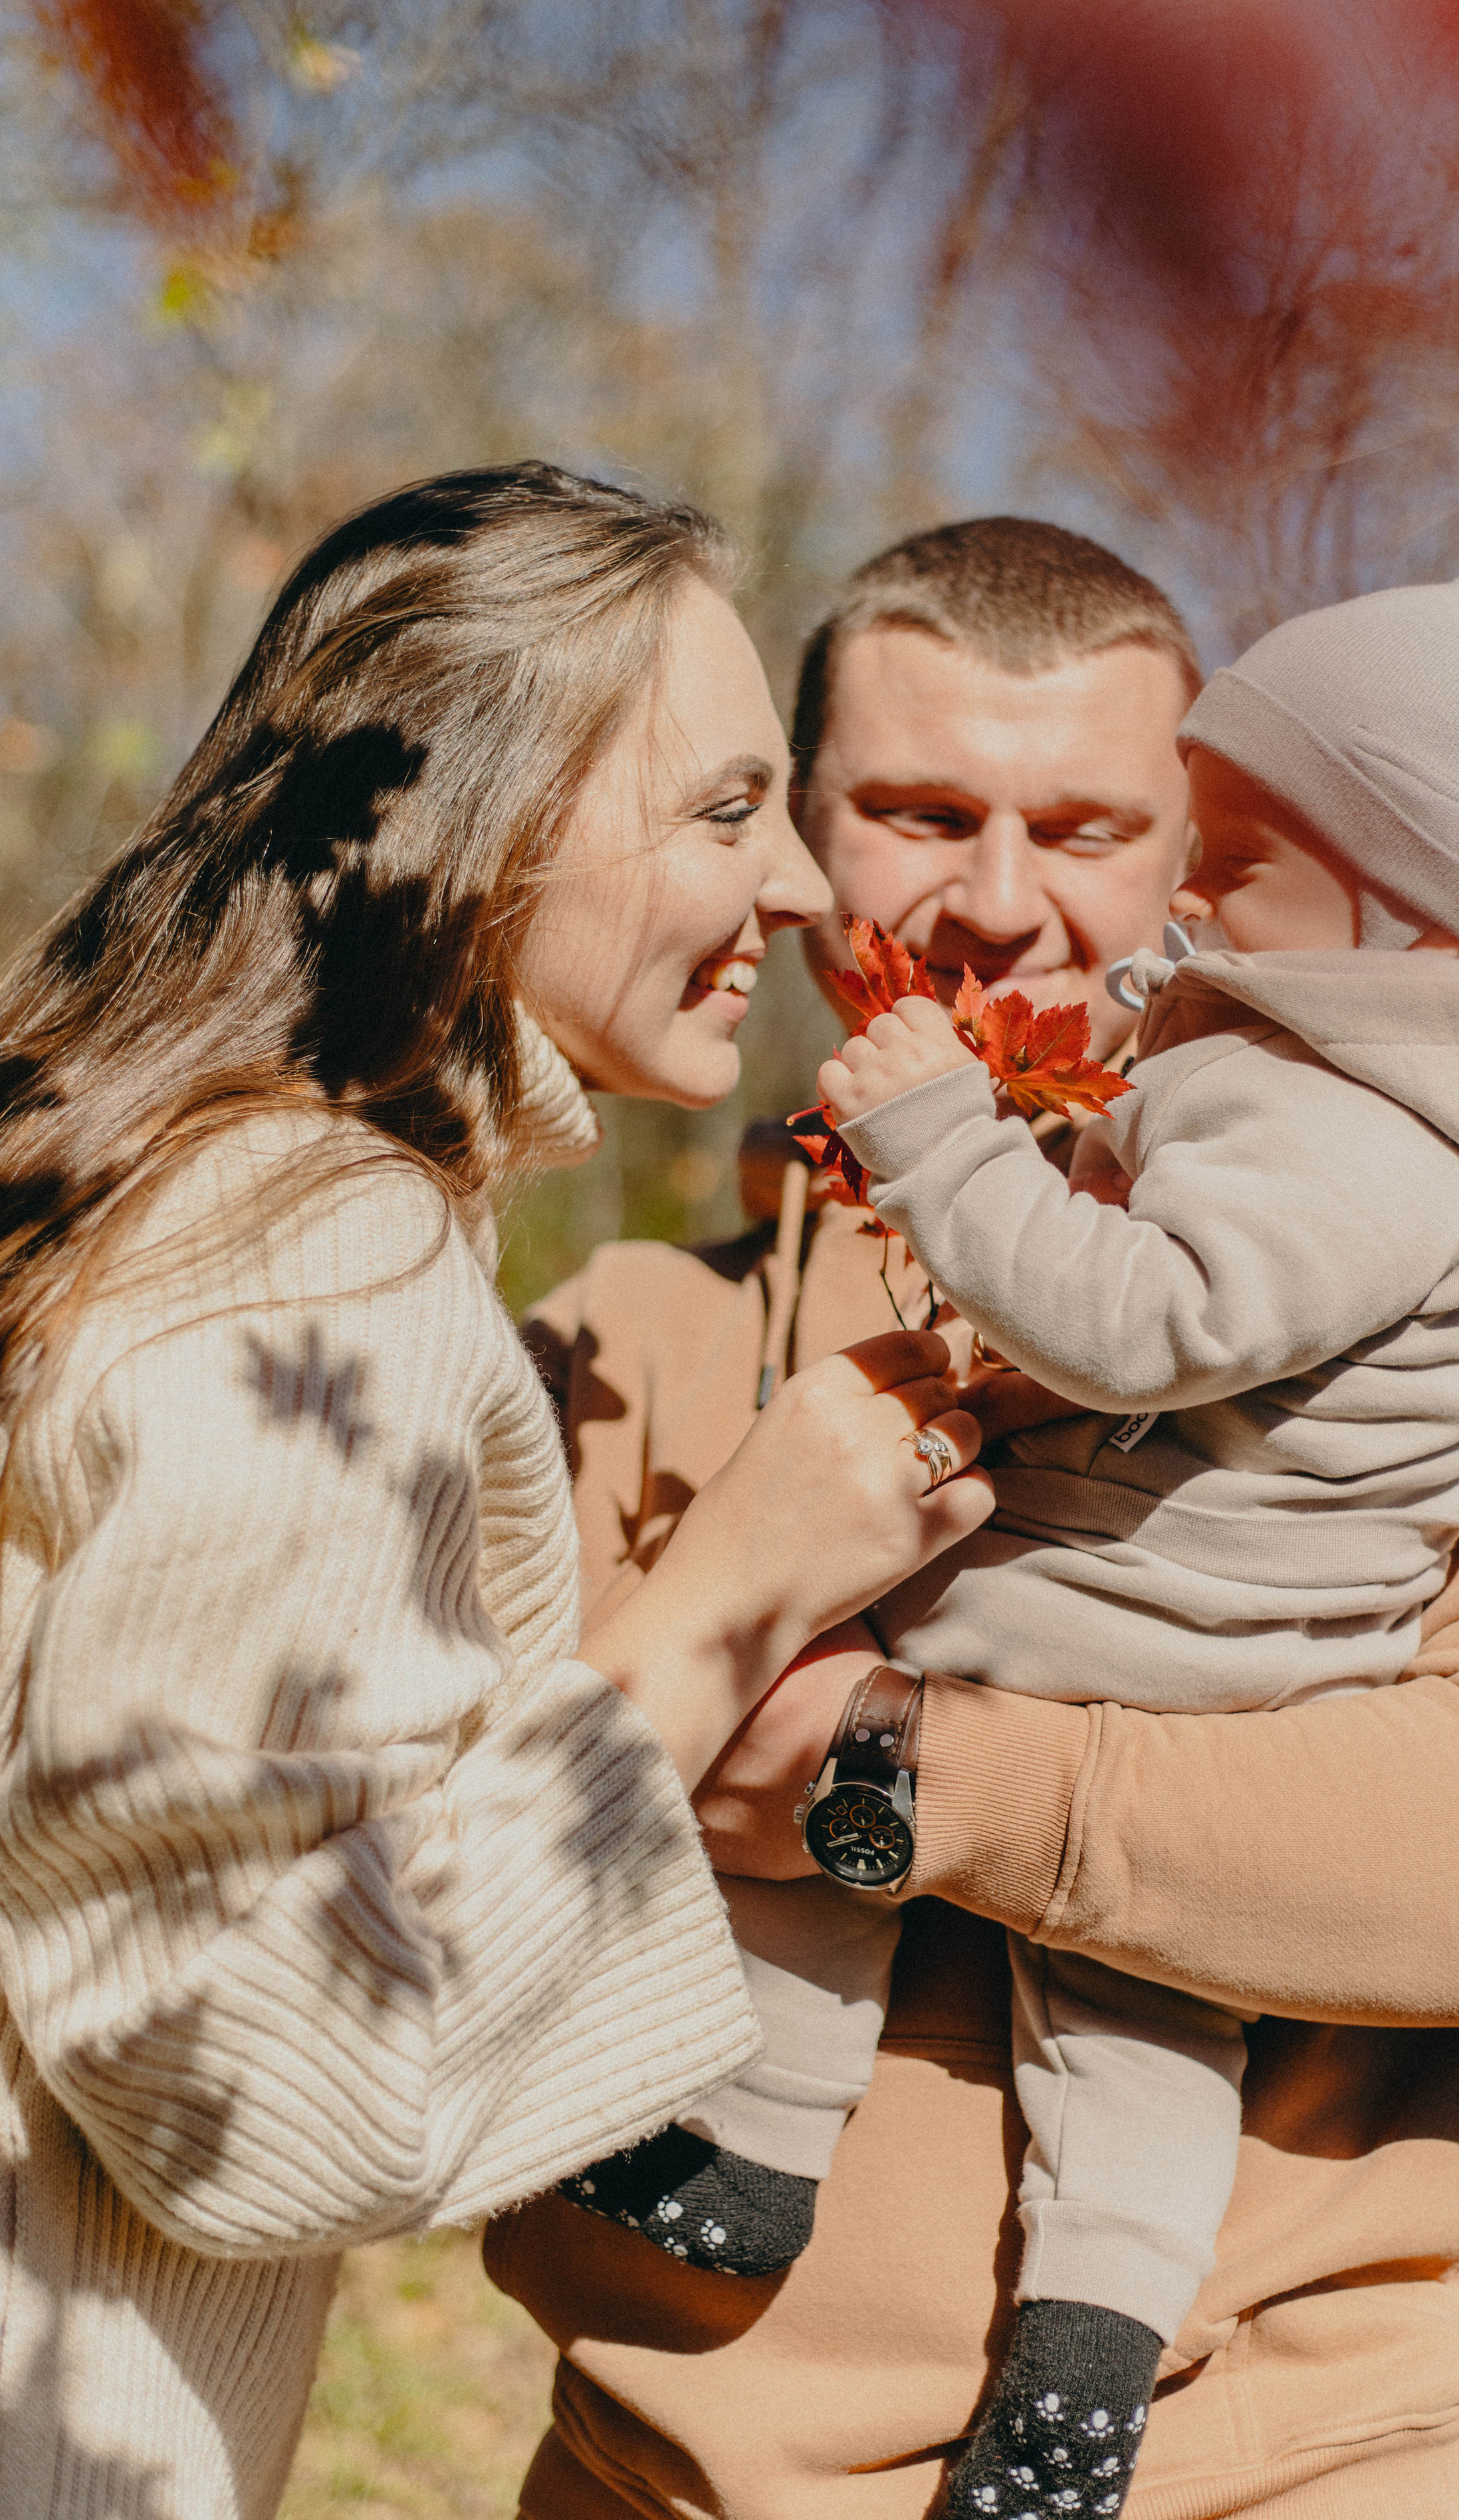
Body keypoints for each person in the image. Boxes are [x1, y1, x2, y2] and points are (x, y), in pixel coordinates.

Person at [490, 517, 1459, 2519]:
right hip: (657, 2480)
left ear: (1203, 855)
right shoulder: (616, 1344)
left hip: (1274, 2479)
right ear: (794, 846)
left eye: (1093, 830)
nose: (997, 905)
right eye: (916, 809)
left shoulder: (1444, 1294)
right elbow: (412, 1872)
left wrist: (912, 1776)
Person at [0, 463, 994, 2520]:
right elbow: (234, 2071)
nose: (802, 891)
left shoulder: (152, 1185)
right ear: (489, 818)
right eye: (726, 810)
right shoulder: (306, 1245)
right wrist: (728, 1597)